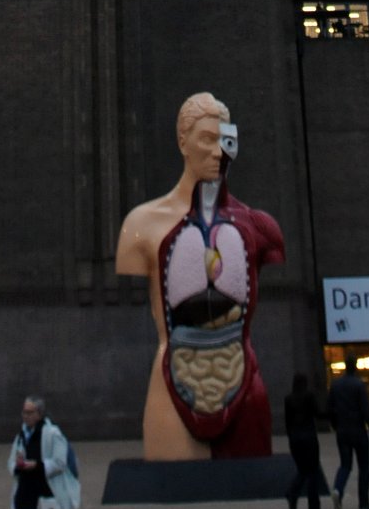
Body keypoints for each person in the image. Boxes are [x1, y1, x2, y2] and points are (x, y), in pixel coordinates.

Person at [115, 92, 285, 459]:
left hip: (242, 379)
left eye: (225, 142)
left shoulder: (257, 226)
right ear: (183, 142)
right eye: (207, 140)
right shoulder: (142, 225)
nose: (217, 153)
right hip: (173, 374)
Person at [327, 365, 369, 509]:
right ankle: (363, 504)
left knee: (345, 465)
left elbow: (329, 408)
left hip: (342, 432)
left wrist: (335, 425)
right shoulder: (359, 385)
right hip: (358, 431)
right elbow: (366, 410)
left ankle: (338, 489)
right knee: (363, 467)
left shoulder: (335, 385)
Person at [283, 373, 325, 509]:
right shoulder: (309, 397)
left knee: (302, 470)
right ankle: (313, 507)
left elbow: (287, 422)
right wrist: (332, 413)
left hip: (295, 439)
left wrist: (291, 438)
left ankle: (292, 493)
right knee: (312, 471)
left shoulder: (288, 399)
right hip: (309, 438)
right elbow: (318, 414)